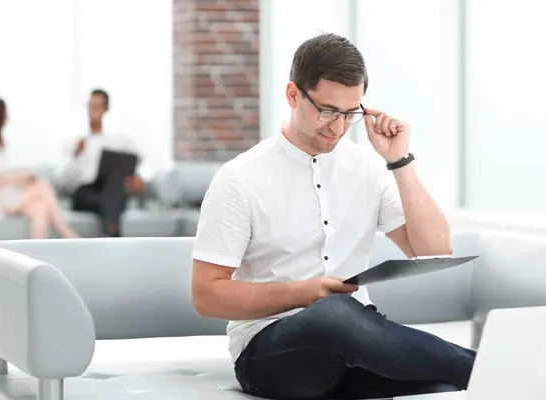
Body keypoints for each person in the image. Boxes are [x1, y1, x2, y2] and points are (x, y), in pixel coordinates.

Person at [191, 33, 476, 400]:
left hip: (356, 344)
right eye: (327, 111)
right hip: (270, 352)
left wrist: (399, 162)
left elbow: (435, 250)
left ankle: (494, 372)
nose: (338, 128)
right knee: (335, 313)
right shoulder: (239, 179)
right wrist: (302, 294)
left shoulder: (366, 168)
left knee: (442, 387)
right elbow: (206, 296)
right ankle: (502, 366)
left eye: (350, 114)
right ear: (293, 95)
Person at [0, 97, 79, 239]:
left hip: (4, 194)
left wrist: (19, 180)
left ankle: (35, 257)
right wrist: (15, 178)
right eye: (5, 114)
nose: (7, 118)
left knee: (41, 208)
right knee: (41, 186)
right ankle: (64, 228)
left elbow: (1, 176)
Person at [54, 89, 144, 237]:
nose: (93, 111)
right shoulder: (73, 139)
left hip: (109, 188)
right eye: (90, 106)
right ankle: (114, 232)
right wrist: (76, 155)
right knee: (109, 198)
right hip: (84, 192)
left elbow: (135, 162)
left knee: (115, 184)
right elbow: (59, 181)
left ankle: (111, 229)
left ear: (105, 109)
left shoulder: (118, 140)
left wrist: (138, 179)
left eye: (97, 107)